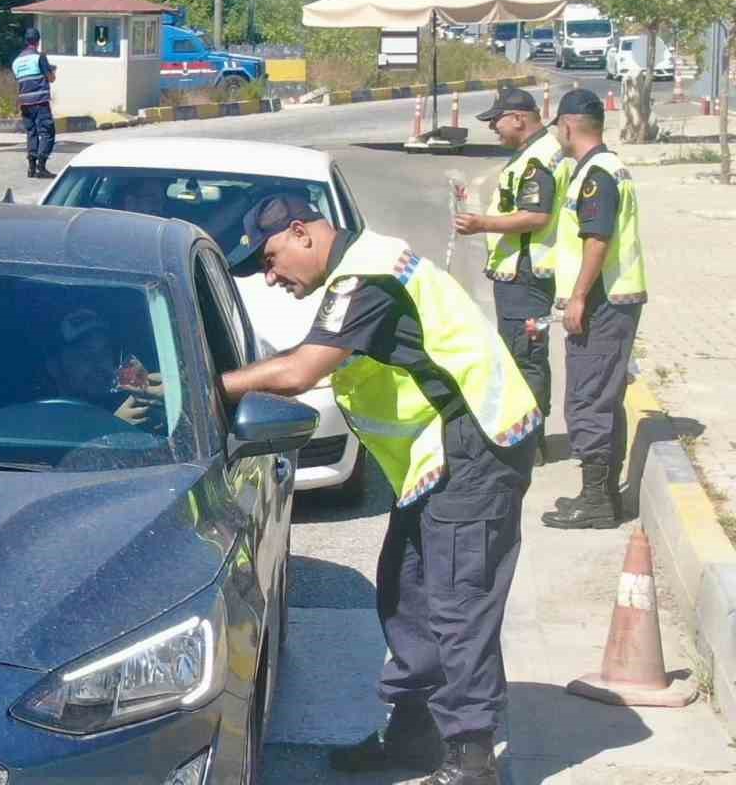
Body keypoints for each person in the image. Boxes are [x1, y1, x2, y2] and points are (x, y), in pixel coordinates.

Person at [221, 195, 541, 785]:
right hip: (437, 459)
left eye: (270, 259)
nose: (271, 277)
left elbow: (300, 371)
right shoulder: (360, 272)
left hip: (476, 448)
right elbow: (306, 362)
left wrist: (212, 389)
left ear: (301, 232)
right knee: (406, 592)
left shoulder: (364, 278)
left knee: (456, 603)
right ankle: (415, 738)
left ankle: (471, 759)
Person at [542, 88, 647, 530]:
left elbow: (597, 240)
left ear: (568, 125)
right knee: (603, 397)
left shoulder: (596, 175)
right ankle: (602, 495)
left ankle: (598, 501)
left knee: (588, 400)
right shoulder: (601, 167)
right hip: (611, 300)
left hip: (602, 302)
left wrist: (580, 296)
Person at [452, 87, 570, 462]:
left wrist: (482, 223)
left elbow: (537, 216)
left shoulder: (537, 160)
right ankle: (529, 436)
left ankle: (530, 442)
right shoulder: (535, 154)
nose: (493, 130)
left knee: (526, 357)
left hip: (527, 278)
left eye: (497, 121)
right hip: (521, 277)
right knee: (523, 354)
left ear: (519, 118)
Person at [43, 308, 162, 427]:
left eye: (104, 352)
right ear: (54, 367)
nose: (98, 363)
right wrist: (114, 430)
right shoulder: (44, 423)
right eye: (84, 355)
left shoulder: (133, 406)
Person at [12, 27, 57, 179]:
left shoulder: (16, 61)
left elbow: (21, 80)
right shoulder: (39, 57)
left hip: (24, 102)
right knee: (47, 132)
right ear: (38, 41)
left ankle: (31, 168)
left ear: (26, 41)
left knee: (31, 133)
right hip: (40, 101)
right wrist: (52, 71)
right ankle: (41, 167)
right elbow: (50, 78)